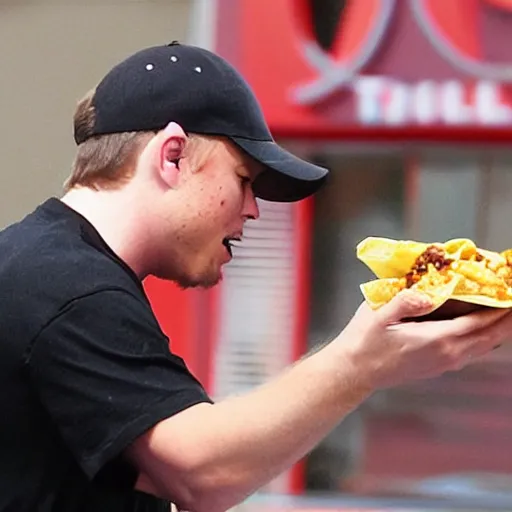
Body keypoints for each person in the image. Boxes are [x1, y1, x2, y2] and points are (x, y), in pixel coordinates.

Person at [1, 41, 510, 512]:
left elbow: (177, 468)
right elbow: (203, 473)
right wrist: (361, 363)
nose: (253, 211)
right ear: (172, 156)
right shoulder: (70, 288)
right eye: (244, 180)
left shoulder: (42, 266)